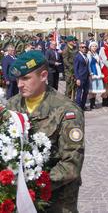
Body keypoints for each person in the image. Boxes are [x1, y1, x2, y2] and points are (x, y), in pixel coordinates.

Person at [6, 50, 84, 212]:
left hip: (56, 200)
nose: (20, 84)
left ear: (43, 76)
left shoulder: (67, 110)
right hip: (17, 199)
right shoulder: (11, 106)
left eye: (26, 78)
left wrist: (34, 185)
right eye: (19, 78)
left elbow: (71, 164)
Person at [87, 41, 105, 110]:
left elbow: (99, 63)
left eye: (95, 46)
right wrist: (90, 73)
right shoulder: (89, 54)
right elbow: (88, 65)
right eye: (92, 46)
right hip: (93, 72)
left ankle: (93, 103)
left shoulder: (96, 54)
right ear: (90, 47)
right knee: (92, 89)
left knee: (95, 88)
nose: (94, 47)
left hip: (98, 71)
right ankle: (92, 104)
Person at [74, 43, 90, 111]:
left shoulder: (85, 55)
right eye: (82, 47)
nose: (84, 48)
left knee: (86, 92)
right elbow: (75, 68)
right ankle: (78, 107)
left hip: (86, 76)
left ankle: (83, 106)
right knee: (79, 92)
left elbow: (86, 66)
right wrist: (77, 78)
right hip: (80, 77)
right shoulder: (77, 56)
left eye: (85, 47)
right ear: (79, 48)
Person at [99, 34, 108, 107]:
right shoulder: (103, 48)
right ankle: (104, 101)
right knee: (106, 84)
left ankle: (107, 99)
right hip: (106, 68)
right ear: (105, 40)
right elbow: (104, 59)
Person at [62, 36, 77, 100]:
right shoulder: (66, 49)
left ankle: (73, 100)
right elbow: (65, 61)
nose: (74, 41)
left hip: (75, 69)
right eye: (72, 41)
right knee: (69, 87)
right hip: (69, 71)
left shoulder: (74, 48)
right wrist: (72, 68)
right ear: (68, 42)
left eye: (74, 40)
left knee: (74, 86)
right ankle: (67, 101)